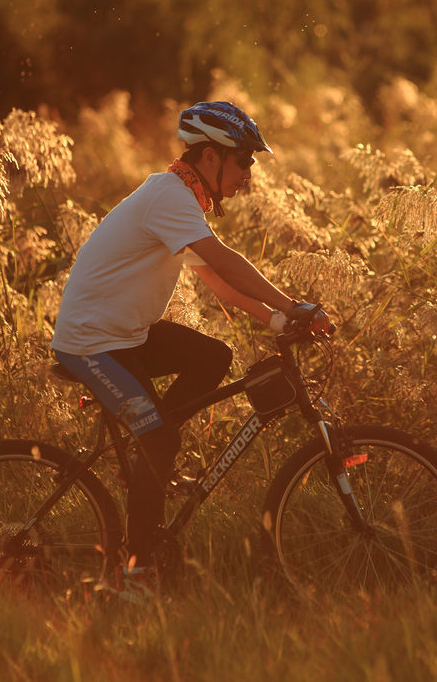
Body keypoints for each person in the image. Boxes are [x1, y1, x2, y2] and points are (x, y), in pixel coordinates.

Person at [51, 101, 330, 571]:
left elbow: (215, 280)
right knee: (159, 440)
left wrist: (279, 323)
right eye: (244, 161)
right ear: (209, 158)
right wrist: (292, 304)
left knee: (213, 357)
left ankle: (147, 464)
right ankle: (137, 572)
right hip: (92, 345)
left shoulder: (179, 200)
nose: (248, 174)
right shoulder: (169, 197)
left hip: (125, 337)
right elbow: (222, 261)